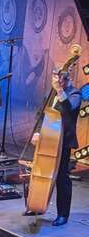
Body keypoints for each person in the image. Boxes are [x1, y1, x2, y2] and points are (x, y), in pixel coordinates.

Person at [29, 68, 81, 227]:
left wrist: (59, 91)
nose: (54, 80)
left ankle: (63, 214)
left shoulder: (75, 94)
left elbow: (68, 109)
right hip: (47, 138)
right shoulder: (51, 93)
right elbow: (42, 114)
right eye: (52, 77)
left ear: (64, 79)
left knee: (61, 178)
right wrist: (37, 132)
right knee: (41, 173)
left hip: (63, 141)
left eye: (56, 78)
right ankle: (37, 205)